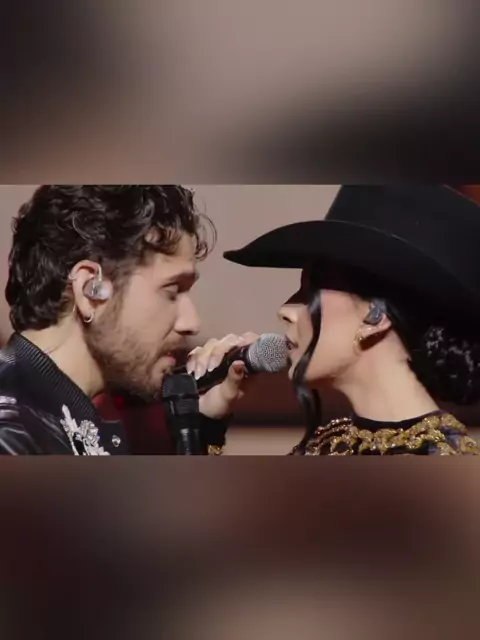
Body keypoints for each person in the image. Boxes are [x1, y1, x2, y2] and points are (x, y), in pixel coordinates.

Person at [190, 185, 480, 455]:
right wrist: (207, 422)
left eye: (310, 291)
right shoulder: (328, 444)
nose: (285, 310)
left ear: (374, 317)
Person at [0, 185, 250, 455]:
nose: (192, 323)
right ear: (91, 290)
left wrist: (202, 426)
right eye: (172, 290)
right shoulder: (13, 436)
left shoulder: (54, 423)